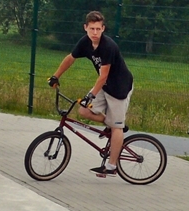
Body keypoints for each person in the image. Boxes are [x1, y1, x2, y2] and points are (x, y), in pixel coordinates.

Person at [48, 10, 133, 178]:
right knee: (83, 110)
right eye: (92, 28)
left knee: (116, 128)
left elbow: (103, 76)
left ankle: (111, 167)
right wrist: (55, 76)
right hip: (105, 86)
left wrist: (91, 95)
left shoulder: (108, 46)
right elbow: (70, 58)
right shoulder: (85, 42)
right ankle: (113, 124)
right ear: (85, 27)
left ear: (103, 29)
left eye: (98, 29)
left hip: (119, 88)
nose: (95, 32)